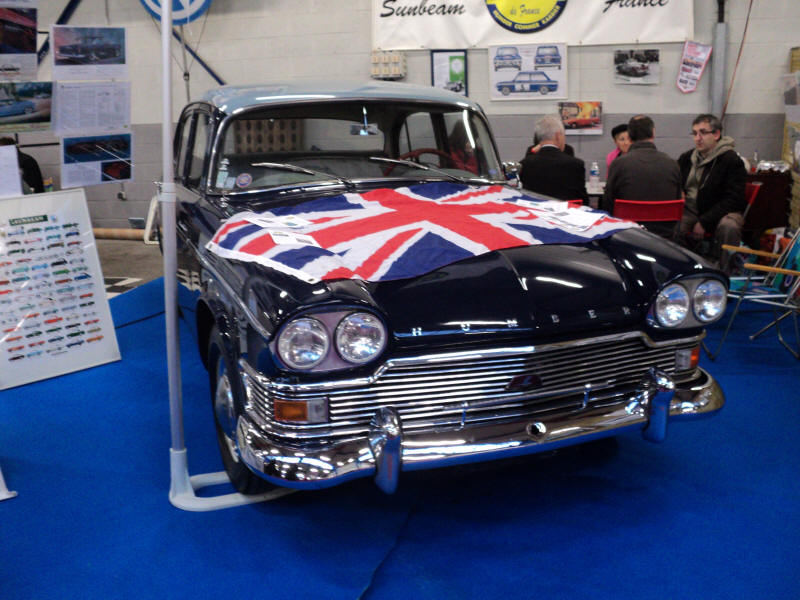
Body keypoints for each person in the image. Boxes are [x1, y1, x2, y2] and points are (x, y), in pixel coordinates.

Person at [677, 114, 747, 273]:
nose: (698, 138)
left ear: (716, 134)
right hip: (690, 209)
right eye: (694, 133)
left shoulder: (731, 160)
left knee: (729, 227)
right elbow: (676, 182)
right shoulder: (687, 158)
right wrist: (678, 191)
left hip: (722, 211)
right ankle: (684, 271)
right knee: (671, 225)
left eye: (703, 132)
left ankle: (725, 272)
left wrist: (704, 221)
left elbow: (734, 199)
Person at [602, 115, 683, 236]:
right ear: (653, 133)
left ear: (630, 136)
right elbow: (678, 201)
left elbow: (608, 204)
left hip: (627, 233)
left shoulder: (618, 164)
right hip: (664, 236)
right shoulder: (672, 164)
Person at [518, 115, 588, 203]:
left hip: (536, 210)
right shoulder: (576, 164)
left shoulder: (524, 164)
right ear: (558, 136)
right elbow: (582, 200)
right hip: (565, 211)